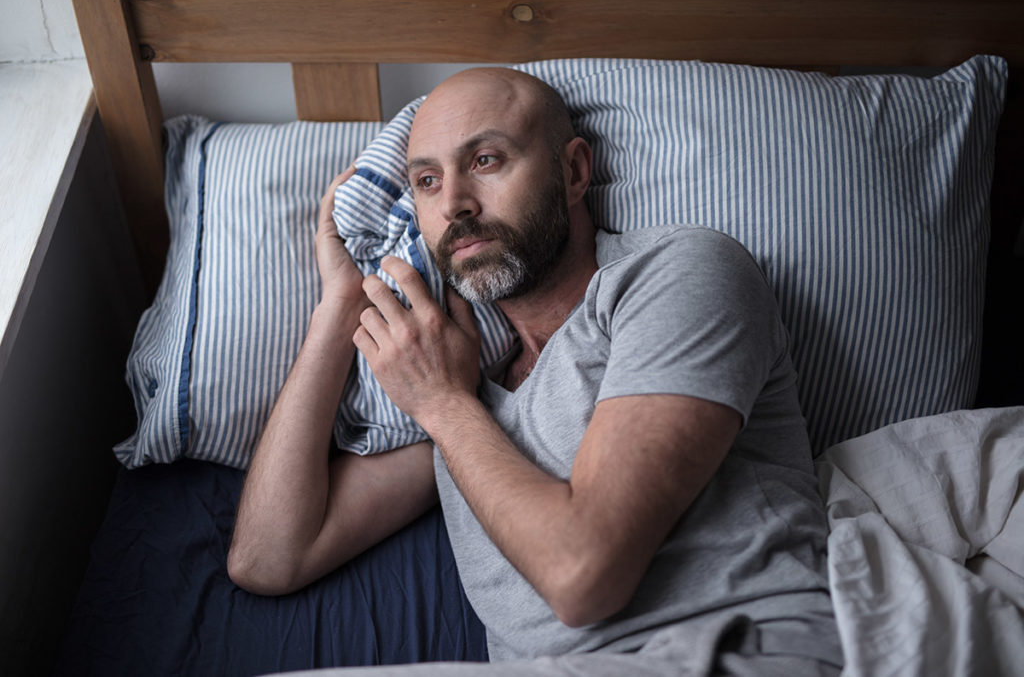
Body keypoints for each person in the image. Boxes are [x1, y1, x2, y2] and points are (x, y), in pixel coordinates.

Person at [228, 68, 843, 675]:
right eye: (426, 181)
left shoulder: (677, 273)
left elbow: (585, 577)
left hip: (739, 652)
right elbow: (268, 558)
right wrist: (339, 307)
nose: (454, 205)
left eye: (487, 160)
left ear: (574, 172)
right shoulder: (464, 389)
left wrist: (443, 406)